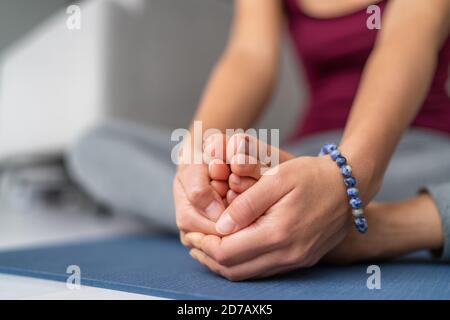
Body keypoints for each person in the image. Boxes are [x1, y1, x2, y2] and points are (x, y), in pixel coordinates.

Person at [67, 0, 450, 281]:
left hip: (409, 149)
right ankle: (270, 218)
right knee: (98, 144)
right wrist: (199, 159)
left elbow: (403, 45)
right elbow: (250, 57)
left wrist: (347, 176)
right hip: (305, 153)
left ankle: (281, 218)